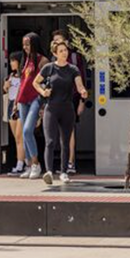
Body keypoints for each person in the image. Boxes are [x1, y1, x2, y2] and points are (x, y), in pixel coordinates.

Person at [33, 40, 89, 185]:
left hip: (67, 109)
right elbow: (35, 82)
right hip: (51, 108)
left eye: (65, 50)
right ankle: (49, 172)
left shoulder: (73, 69)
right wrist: (43, 92)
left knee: (65, 142)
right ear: (55, 54)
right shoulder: (48, 68)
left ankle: (64, 172)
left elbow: (79, 85)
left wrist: (82, 91)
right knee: (50, 141)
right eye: (61, 51)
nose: (65, 53)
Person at [50, 30, 88, 174]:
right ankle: (62, 164)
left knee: (69, 131)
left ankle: (70, 163)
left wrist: (82, 102)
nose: (58, 44)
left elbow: (82, 81)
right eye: (55, 41)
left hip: (72, 98)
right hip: (55, 99)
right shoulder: (52, 62)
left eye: (60, 40)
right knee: (57, 132)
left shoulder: (74, 58)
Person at [13, 32, 48, 179]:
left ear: (34, 44)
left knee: (27, 131)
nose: (25, 47)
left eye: (28, 44)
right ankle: (28, 165)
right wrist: (15, 102)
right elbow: (22, 83)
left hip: (36, 99)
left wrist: (43, 106)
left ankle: (35, 164)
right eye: (24, 44)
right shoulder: (25, 60)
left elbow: (46, 83)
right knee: (24, 134)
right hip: (23, 100)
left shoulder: (43, 61)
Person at [3, 54, 26, 175]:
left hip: (20, 105)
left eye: (13, 61)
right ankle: (25, 162)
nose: (11, 63)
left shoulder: (24, 76)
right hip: (11, 105)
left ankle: (20, 164)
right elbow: (5, 90)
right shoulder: (10, 76)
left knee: (20, 136)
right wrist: (5, 86)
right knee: (17, 138)